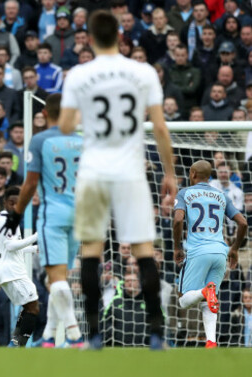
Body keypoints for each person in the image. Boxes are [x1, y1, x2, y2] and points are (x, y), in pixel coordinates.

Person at [51, 11, 175, 350]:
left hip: (93, 172)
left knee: (91, 250)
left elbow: (63, 126)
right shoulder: (143, 72)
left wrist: (78, 112)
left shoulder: (79, 74)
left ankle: (92, 335)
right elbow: (161, 128)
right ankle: (156, 334)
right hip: (130, 173)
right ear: (120, 37)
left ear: (89, 38)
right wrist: (169, 173)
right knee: (144, 251)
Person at [1, 93, 83, 347]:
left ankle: (74, 336)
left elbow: (30, 183)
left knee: (57, 280)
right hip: (80, 215)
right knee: (56, 279)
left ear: (45, 114)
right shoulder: (83, 142)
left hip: (54, 215)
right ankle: (48, 336)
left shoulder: (40, 140)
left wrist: (17, 214)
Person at [173, 160, 248, 349]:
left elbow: (177, 220)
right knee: (210, 298)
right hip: (220, 253)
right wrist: (235, 249)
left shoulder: (185, 193)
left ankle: (203, 292)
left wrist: (176, 248)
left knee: (183, 300)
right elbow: (243, 223)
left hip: (198, 251)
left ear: (192, 174)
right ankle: (211, 342)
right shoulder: (222, 195)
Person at [0, 186, 40, 346]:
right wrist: (36, 236)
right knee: (33, 306)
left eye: (17, 203)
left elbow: (10, 248)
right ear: (4, 202)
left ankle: (16, 343)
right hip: (11, 270)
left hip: (9, 268)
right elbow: (11, 246)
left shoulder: (10, 219)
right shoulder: (5, 219)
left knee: (29, 306)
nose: (14, 206)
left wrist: (32, 249)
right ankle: (16, 345)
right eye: (11, 203)